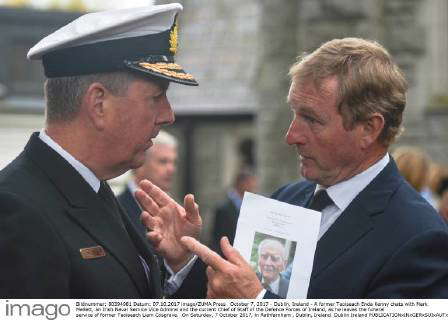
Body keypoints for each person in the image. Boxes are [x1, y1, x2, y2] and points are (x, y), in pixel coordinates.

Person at [137, 37, 448, 299]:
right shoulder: (286, 199)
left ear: (369, 128)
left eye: (311, 119)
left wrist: (257, 302)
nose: (291, 136)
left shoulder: (418, 237)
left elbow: (250, 296)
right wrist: (185, 260)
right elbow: (225, 300)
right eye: (295, 114)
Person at [0, 3, 206, 298]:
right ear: (99, 104)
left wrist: (180, 264)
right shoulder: (16, 210)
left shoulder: (89, 187)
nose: (168, 115)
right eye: (156, 97)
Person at [118, 130, 178, 236]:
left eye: (173, 162)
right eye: (163, 161)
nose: (171, 169)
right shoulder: (117, 208)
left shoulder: (176, 209)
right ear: (140, 164)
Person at [211, 169, 257, 251]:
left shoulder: (251, 206)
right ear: (241, 183)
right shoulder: (223, 208)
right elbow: (217, 238)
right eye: (250, 183)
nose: (253, 187)